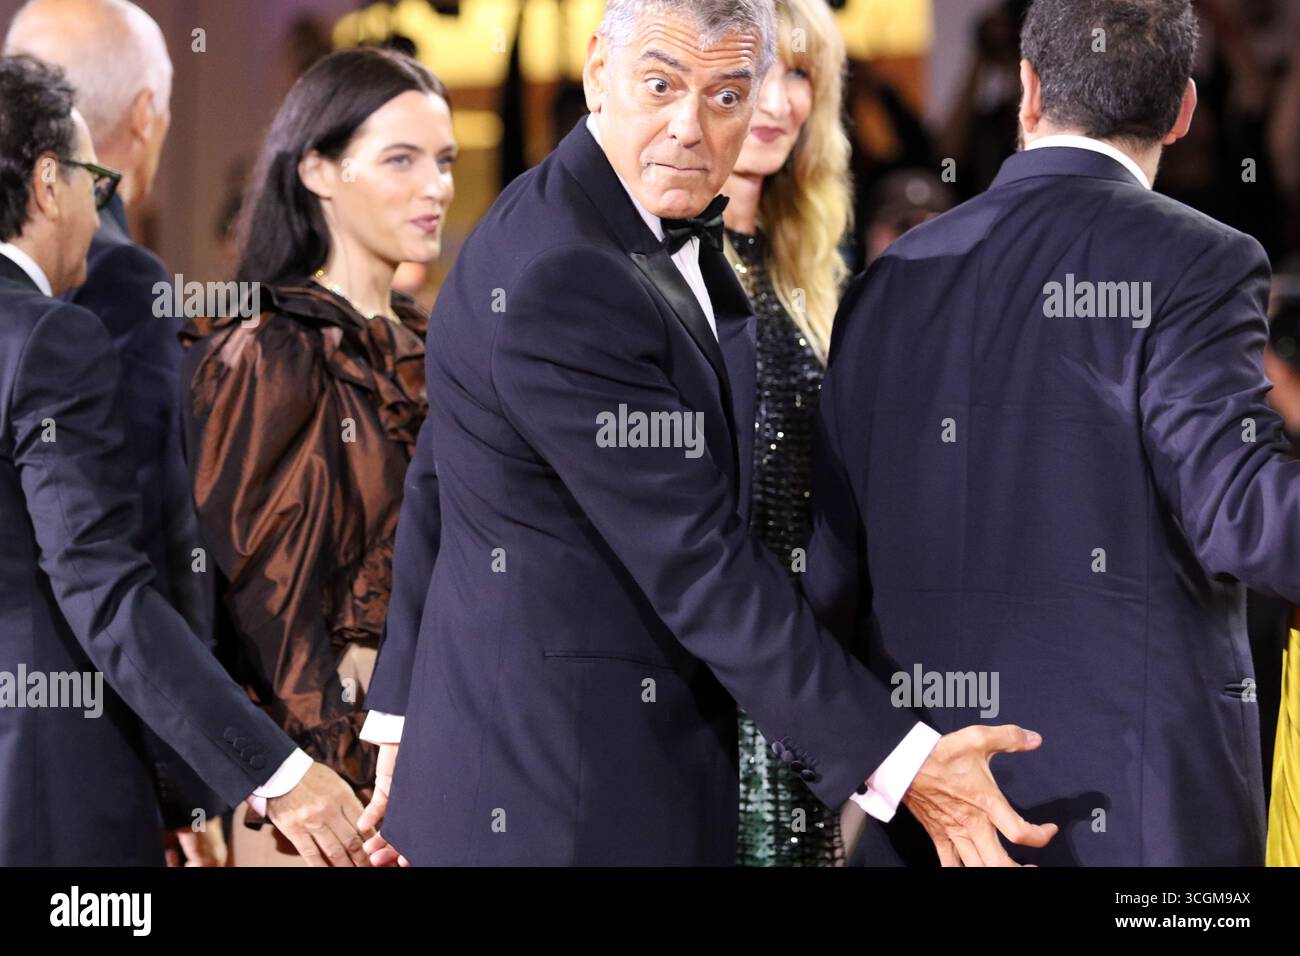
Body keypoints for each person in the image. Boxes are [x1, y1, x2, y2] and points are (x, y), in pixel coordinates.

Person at [360, 0, 1057, 867]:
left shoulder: (619, 227)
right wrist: (904, 760)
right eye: (661, 85)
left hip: (633, 751)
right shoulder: (565, 274)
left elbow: (444, 469)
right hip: (560, 798)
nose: (690, 127)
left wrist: (400, 715)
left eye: (726, 96)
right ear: (595, 74)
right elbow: (697, 558)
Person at [806, 0, 1290, 866]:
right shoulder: (1204, 260)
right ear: (1183, 108)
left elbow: (829, 578)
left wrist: (891, 767)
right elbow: (1245, 511)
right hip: (1145, 829)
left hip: (934, 820)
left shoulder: (886, 284)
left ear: (1028, 92)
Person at [0, 53, 369, 867]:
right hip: (45, 798)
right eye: (94, 182)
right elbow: (102, 588)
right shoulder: (49, 336)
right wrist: (274, 771)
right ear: (45, 182)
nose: (101, 217)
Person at [179, 47, 455, 866]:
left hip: (438, 769)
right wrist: (334, 787)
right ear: (319, 171)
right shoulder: (268, 350)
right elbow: (263, 605)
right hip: (319, 806)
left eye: (443, 161)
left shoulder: (442, 349)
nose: (435, 186)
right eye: (400, 159)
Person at [4, 0, 224, 867]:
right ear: (145, 117)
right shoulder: (117, 284)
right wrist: (190, 783)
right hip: (67, 768)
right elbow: (136, 544)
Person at [717, 0, 851, 866]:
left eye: (798, 73)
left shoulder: (803, 260)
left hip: (805, 683)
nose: (778, 100)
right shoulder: (657, 264)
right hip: (706, 673)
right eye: (757, 71)